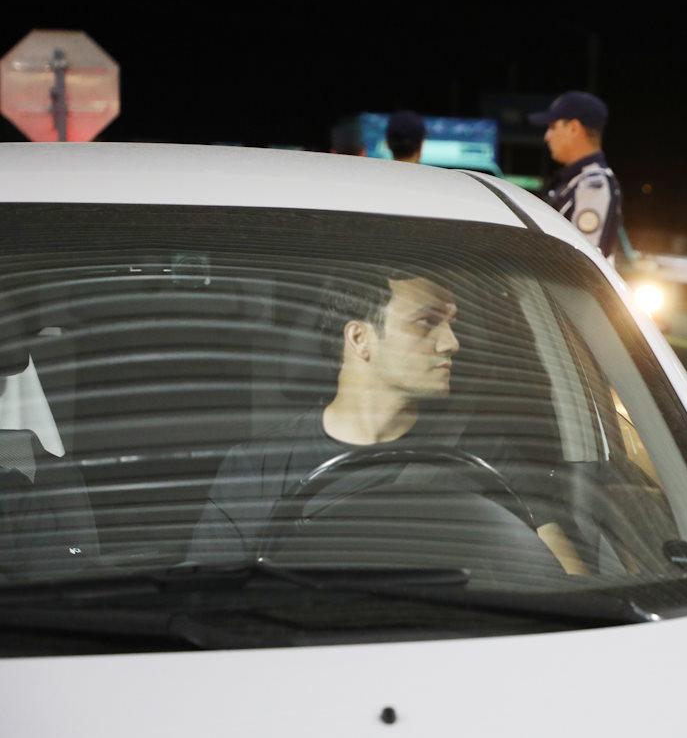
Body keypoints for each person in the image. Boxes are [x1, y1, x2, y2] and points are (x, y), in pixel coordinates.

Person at [187, 267, 584, 573]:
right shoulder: (258, 467)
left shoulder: (485, 455)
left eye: (451, 322)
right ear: (360, 339)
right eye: (426, 322)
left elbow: (568, 581)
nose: (451, 342)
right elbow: (207, 598)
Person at [530, 91, 622, 259]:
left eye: (552, 127)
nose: (547, 136)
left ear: (573, 128)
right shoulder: (573, 181)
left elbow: (581, 263)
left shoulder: (593, 185)